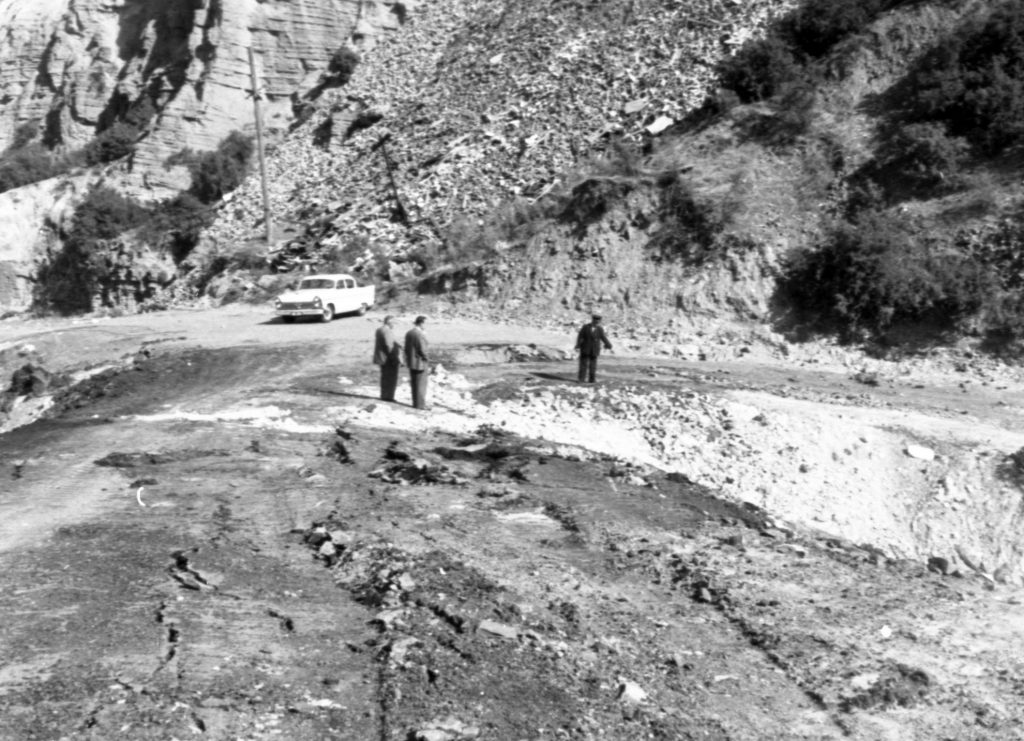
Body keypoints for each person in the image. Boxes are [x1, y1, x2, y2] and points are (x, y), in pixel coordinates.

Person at [575, 314, 613, 383]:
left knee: (593, 366)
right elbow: (580, 337)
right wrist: (577, 346)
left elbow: (603, 338)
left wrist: (609, 345)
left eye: (598, 321)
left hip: (595, 350)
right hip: (585, 348)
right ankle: (581, 379)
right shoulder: (585, 327)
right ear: (592, 320)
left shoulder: (600, 329)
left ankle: (592, 380)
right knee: (583, 365)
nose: (597, 322)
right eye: (595, 321)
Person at [372, 315, 402, 401]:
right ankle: (389, 397)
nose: (394, 325)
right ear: (390, 322)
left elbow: (385, 342)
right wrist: (395, 359)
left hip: (381, 357)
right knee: (391, 378)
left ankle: (384, 395)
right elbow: (389, 346)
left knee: (384, 377)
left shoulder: (379, 330)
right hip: (388, 359)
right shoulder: (387, 331)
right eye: (394, 323)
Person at [404, 315, 430, 409]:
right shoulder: (419, 334)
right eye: (425, 323)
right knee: (421, 385)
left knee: (414, 384)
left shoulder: (409, 333)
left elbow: (407, 348)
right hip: (420, 363)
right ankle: (420, 405)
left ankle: (415, 403)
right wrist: (427, 358)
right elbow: (422, 349)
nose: (426, 326)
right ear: (421, 323)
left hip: (411, 361)